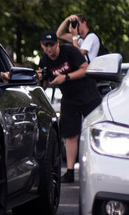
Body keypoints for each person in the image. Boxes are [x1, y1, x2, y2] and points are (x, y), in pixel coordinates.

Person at [37, 30, 101, 183]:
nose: (49, 49)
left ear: (57, 43)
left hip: (88, 94)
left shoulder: (69, 51)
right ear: (41, 45)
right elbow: (43, 86)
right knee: (71, 135)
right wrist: (40, 79)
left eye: (51, 45)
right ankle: (70, 171)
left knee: (96, 130)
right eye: (46, 46)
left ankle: (101, 166)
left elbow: (86, 69)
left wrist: (65, 77)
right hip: (69, 98)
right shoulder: (44, 60)